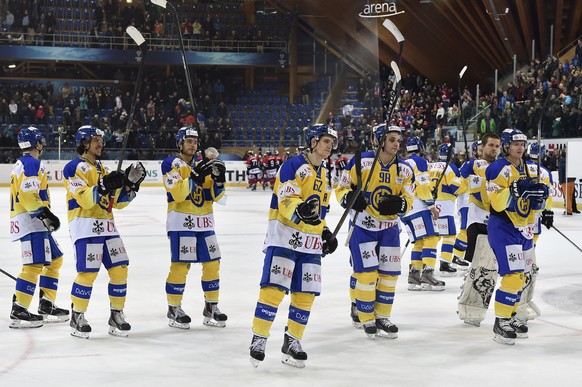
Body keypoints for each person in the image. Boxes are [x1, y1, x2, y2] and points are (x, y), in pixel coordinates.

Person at [249, 124, 339, 368]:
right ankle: (259, 338)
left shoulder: (324, 174)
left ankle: (293, 341)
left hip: (310, 244)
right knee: (273, 290)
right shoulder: (293, 165)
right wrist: (299, 210)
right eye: (325, 140)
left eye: (332, 141)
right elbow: (286, 199)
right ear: (312, 142)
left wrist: (325, 231)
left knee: (305, 294)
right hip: (284, 237)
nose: (330, 145)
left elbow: (319, 212)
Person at [63, 125, 146, 339]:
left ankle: (116, 314)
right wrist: (102, 185)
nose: (101, 143)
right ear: (84, 143)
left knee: (120, 268)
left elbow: (116, 202)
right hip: (85, 226)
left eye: (101, 139)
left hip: (107, 226)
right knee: (88, 273)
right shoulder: (74, 168)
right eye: (96, 140)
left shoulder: (102, 168)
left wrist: (129, 184)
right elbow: (83, 197)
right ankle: (77, 315)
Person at [336, 124, 413, 339]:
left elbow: (409, 198)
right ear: (379, 141)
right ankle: (366, 317)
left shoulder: (405, 168)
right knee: (367, 273)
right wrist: (350, 199)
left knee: (389, 276)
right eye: (391, 139)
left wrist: (400, 205)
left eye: (398, 139)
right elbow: (341, 187)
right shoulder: (361, 162)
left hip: (389, 229)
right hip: (363, 227)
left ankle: (383, 316)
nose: (397, 143)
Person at [486, 129, 549, 345]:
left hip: (524, 228)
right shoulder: (497, 168)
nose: (520, 147)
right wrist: (513, 189)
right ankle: (501, 321)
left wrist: (542, 202)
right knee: (512, 275)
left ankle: (511, 316)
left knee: (521, 277)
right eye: (515, 144)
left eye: (522, 143)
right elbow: (495, 201)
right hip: (503, 227)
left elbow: (535, 200)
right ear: (506, 146)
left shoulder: (531, 169)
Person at [161, 127, 228, 330]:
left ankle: (211, 306)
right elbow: (178, 194)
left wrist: (218, 179)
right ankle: (174, 308)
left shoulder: (202, 165)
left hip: (205, 223)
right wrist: (195, 177)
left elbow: (218, 197)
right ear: (180, 143)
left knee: (213, 264)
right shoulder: (170, 164)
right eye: (188, 141)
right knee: (181, 266)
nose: (192, 145)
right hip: (181, 222)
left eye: (195, 142)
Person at [9, 127, 69, 328]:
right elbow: (28, 194)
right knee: (34, 265)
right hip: (33, 222)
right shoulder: (31, 163)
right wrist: (45, 215)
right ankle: (19, 309)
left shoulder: (23, 163)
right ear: (37, 143)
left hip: (35, 222)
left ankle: (46, 304)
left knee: (55, 259)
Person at [457, 133, 501, 326]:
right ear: (481, 147)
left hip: (497, 222)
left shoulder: (501, 167)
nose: (494, 149)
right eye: (490, 145)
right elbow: (464, 181)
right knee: (479, 266)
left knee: (490, 267)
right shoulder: (473, 165)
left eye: (497, 145)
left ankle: (473, 301)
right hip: (478, 220)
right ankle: (471, 307)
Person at [401, 136, 443, 291]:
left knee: (419, 241)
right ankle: (427, 273)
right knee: (432, 237)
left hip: (405, 210)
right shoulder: (419, 161)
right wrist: (431, 205)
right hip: (418, 206)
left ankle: (414, 276)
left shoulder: (404, 162)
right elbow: (422, 186)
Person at [428, 143, 463, 276]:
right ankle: (444, 263)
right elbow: (456, 187)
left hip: (431, 204)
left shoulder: (431, 166)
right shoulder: (451, 167)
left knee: (433, 236)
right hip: (445, 206)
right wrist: (466, 183)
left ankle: (422, 264)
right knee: (449, 235)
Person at [451, 140, 482, 265]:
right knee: (465, 228)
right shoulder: (470, 164)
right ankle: (457, 256)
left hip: (476, 203)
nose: (483, 151)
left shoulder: (485, 164)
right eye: (480, 149)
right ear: (475, 151)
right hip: (466, 202)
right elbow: (461, 182)